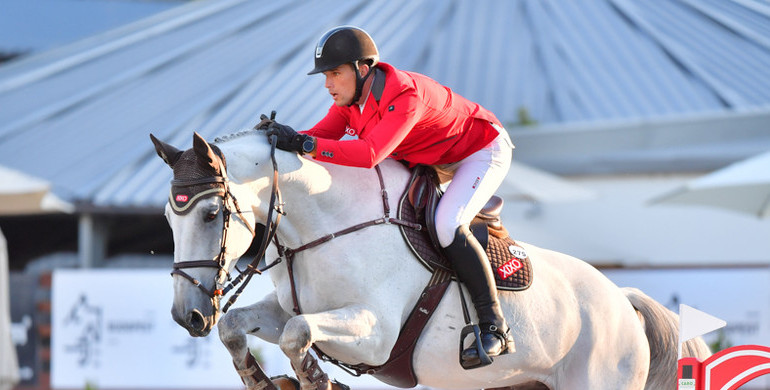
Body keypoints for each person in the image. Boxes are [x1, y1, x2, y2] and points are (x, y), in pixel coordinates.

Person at [261, 26, 515, 365]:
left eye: (335, 73)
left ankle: (494, 326)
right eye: (326, 75)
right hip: (431, 156)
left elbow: (367, 155)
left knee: (446, 224)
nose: (327, 84)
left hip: (480, 151)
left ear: (362, 69)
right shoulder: (353, 102)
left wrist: (304, 144)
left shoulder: (405, 95)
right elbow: (318, 137)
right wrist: (277, 138)